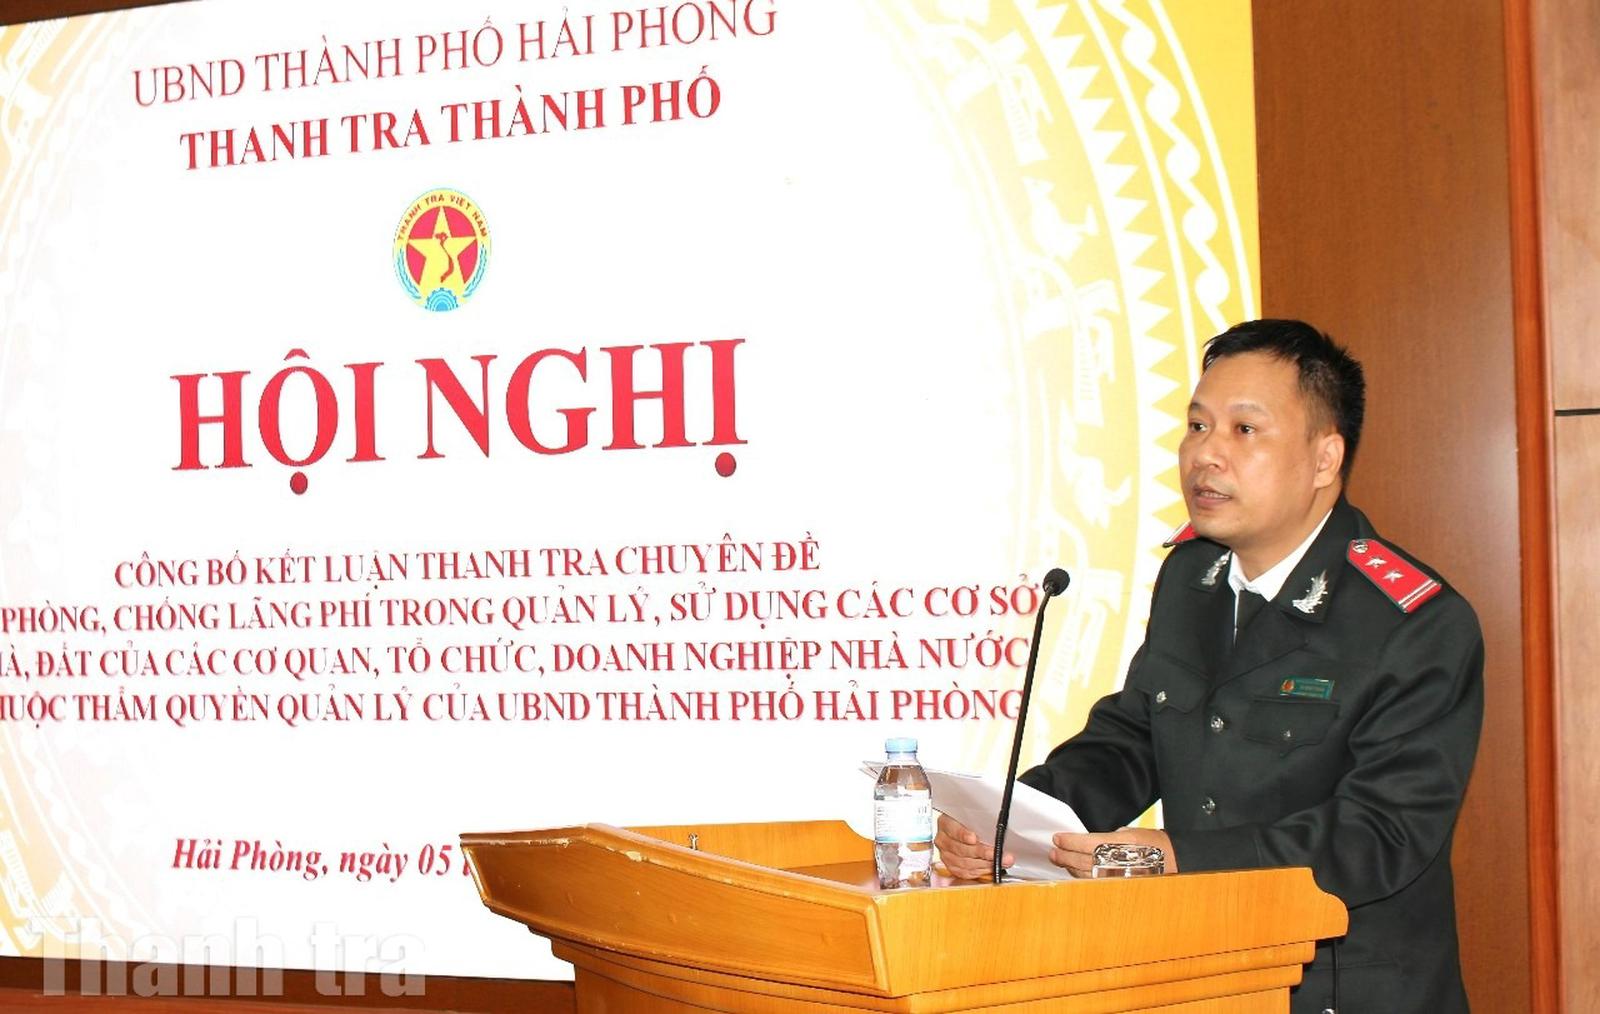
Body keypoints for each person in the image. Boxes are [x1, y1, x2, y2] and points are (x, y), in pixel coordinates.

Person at [936, 319, 1483, 1013]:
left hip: (1341, 986)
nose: (1205, 454)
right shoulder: (1191, 578)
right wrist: (1011, 822)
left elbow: (1382, 834)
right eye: (1197, 426)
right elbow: (1134, 741)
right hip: (1201, 978)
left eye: (1244, 430)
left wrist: (1176, 857)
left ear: (1325, 458)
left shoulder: (1414, 623)